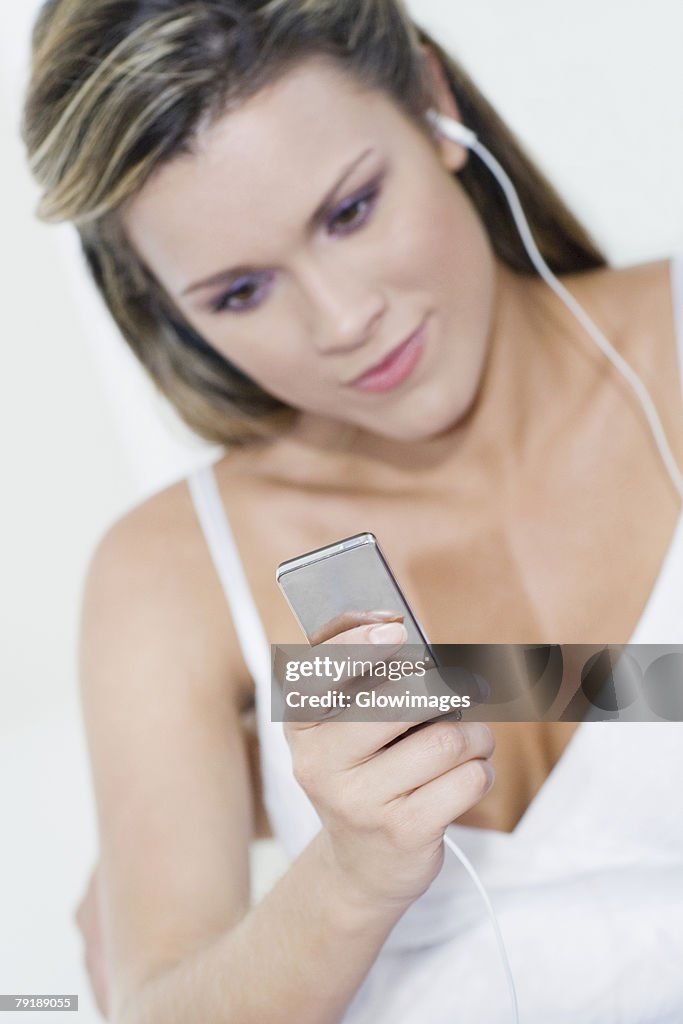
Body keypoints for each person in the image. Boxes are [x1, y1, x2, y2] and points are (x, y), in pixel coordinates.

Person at [22, 1, 683, 1022]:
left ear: (432, 103)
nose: (342, 321)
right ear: (168, 313)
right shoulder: (172, 576)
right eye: (240, 292)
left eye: (350, 210)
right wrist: (347, 875)